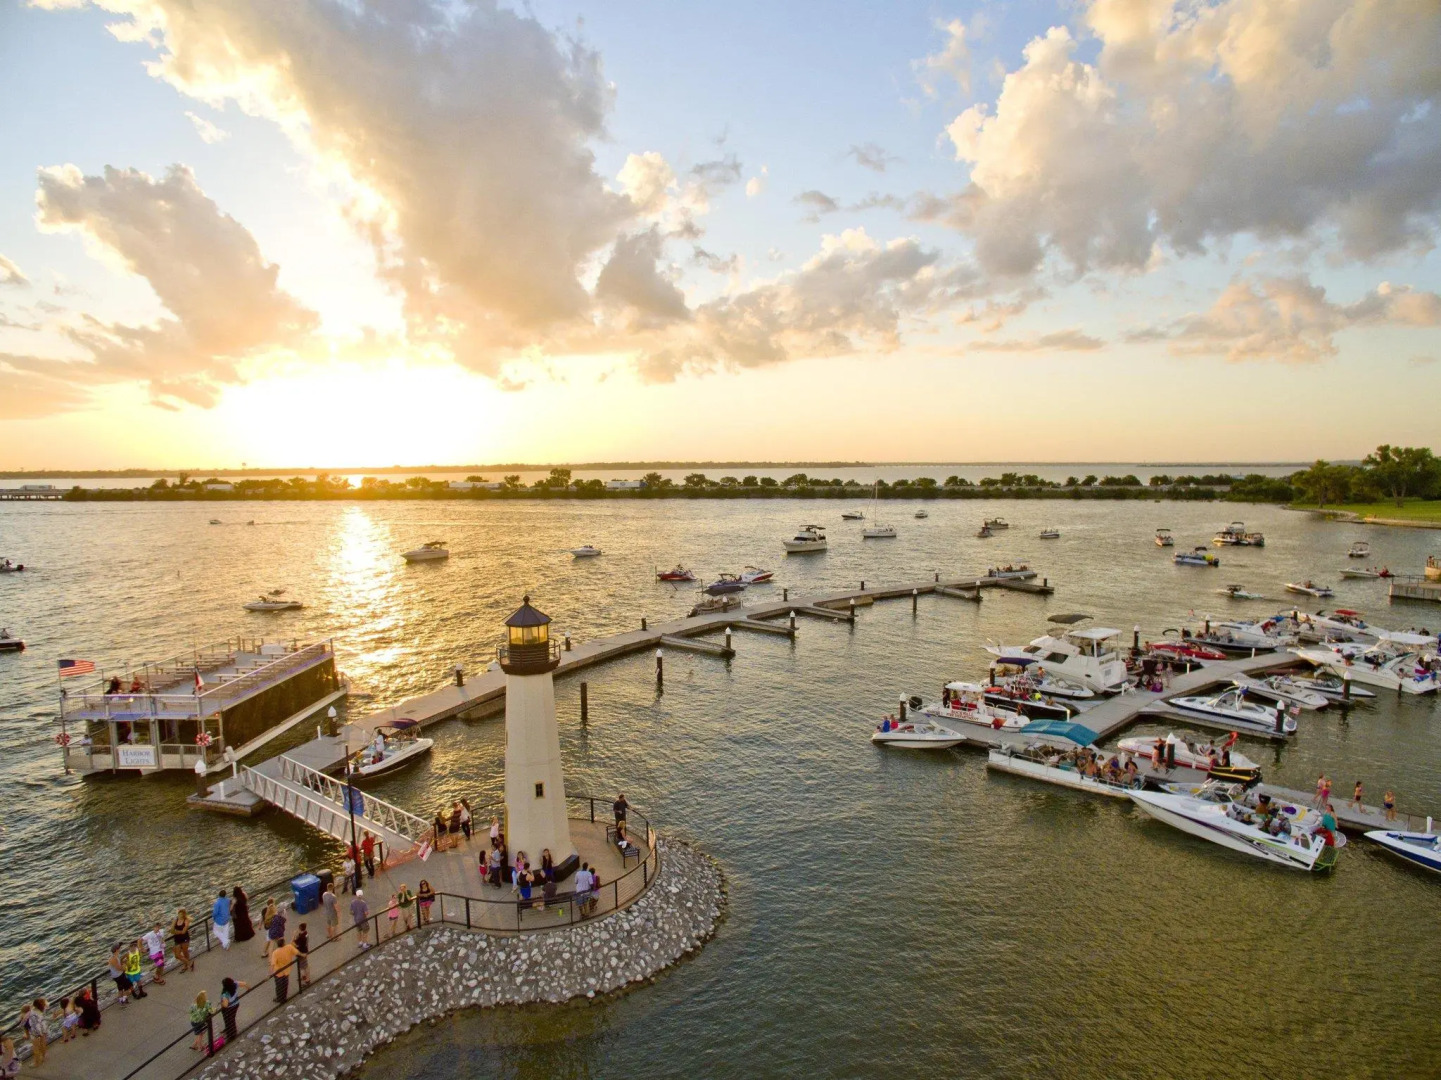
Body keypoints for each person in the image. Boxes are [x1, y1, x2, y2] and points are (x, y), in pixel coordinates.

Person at [269, 935, 299, 1004]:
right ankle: (284, 998)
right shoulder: (288, 947)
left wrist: (270, 973)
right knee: (285, 985)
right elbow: (296, 952)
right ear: (284, 943)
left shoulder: (275, 952)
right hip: (287, 971)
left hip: (278, 972)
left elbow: (273, 964)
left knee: (279, 986)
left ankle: (279, 998)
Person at [22, 1000, 48, 1067]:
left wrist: (27, 1034)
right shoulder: (41, 1009)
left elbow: (25, 1026)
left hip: (35, 1030)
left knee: (35, 1047)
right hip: (43, 1027)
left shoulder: (26, 1016)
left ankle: (36, 1063)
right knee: (43, 1042)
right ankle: (43, 1057)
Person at [172, 908, 194, 972]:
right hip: (177, 939)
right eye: (179, 913)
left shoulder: (186, 920)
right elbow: (171, 929)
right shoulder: (176, 919)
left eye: (181, 913)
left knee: (185, 952)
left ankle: (185, 965)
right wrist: (174, 931)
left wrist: (176, 931)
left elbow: (183, 931)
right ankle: (189, 963)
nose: (180, 915)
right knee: (177, 955)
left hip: (185, 938)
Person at [294, 923, 310, 988]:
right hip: (305, 951)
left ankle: (306, 980)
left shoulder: (301, 937)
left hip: (301, 953)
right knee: (305, 965)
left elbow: (295, 943)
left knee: (303, 967)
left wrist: (294, 936)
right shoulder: (306, 933)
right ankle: (305, 978)